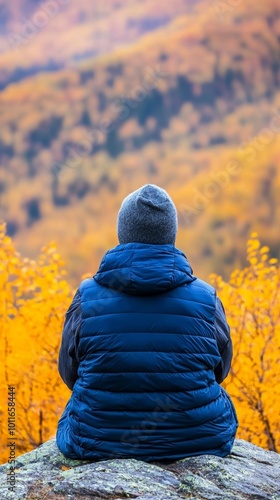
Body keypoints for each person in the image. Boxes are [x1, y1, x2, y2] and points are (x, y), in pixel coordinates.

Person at [56, 184, 238, 461]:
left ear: (122, 233)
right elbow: (219, 370)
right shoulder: (206, 298)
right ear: (171, 235)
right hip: (200, 438)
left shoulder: (87, 297)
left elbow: (69, 373)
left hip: (96, 439)